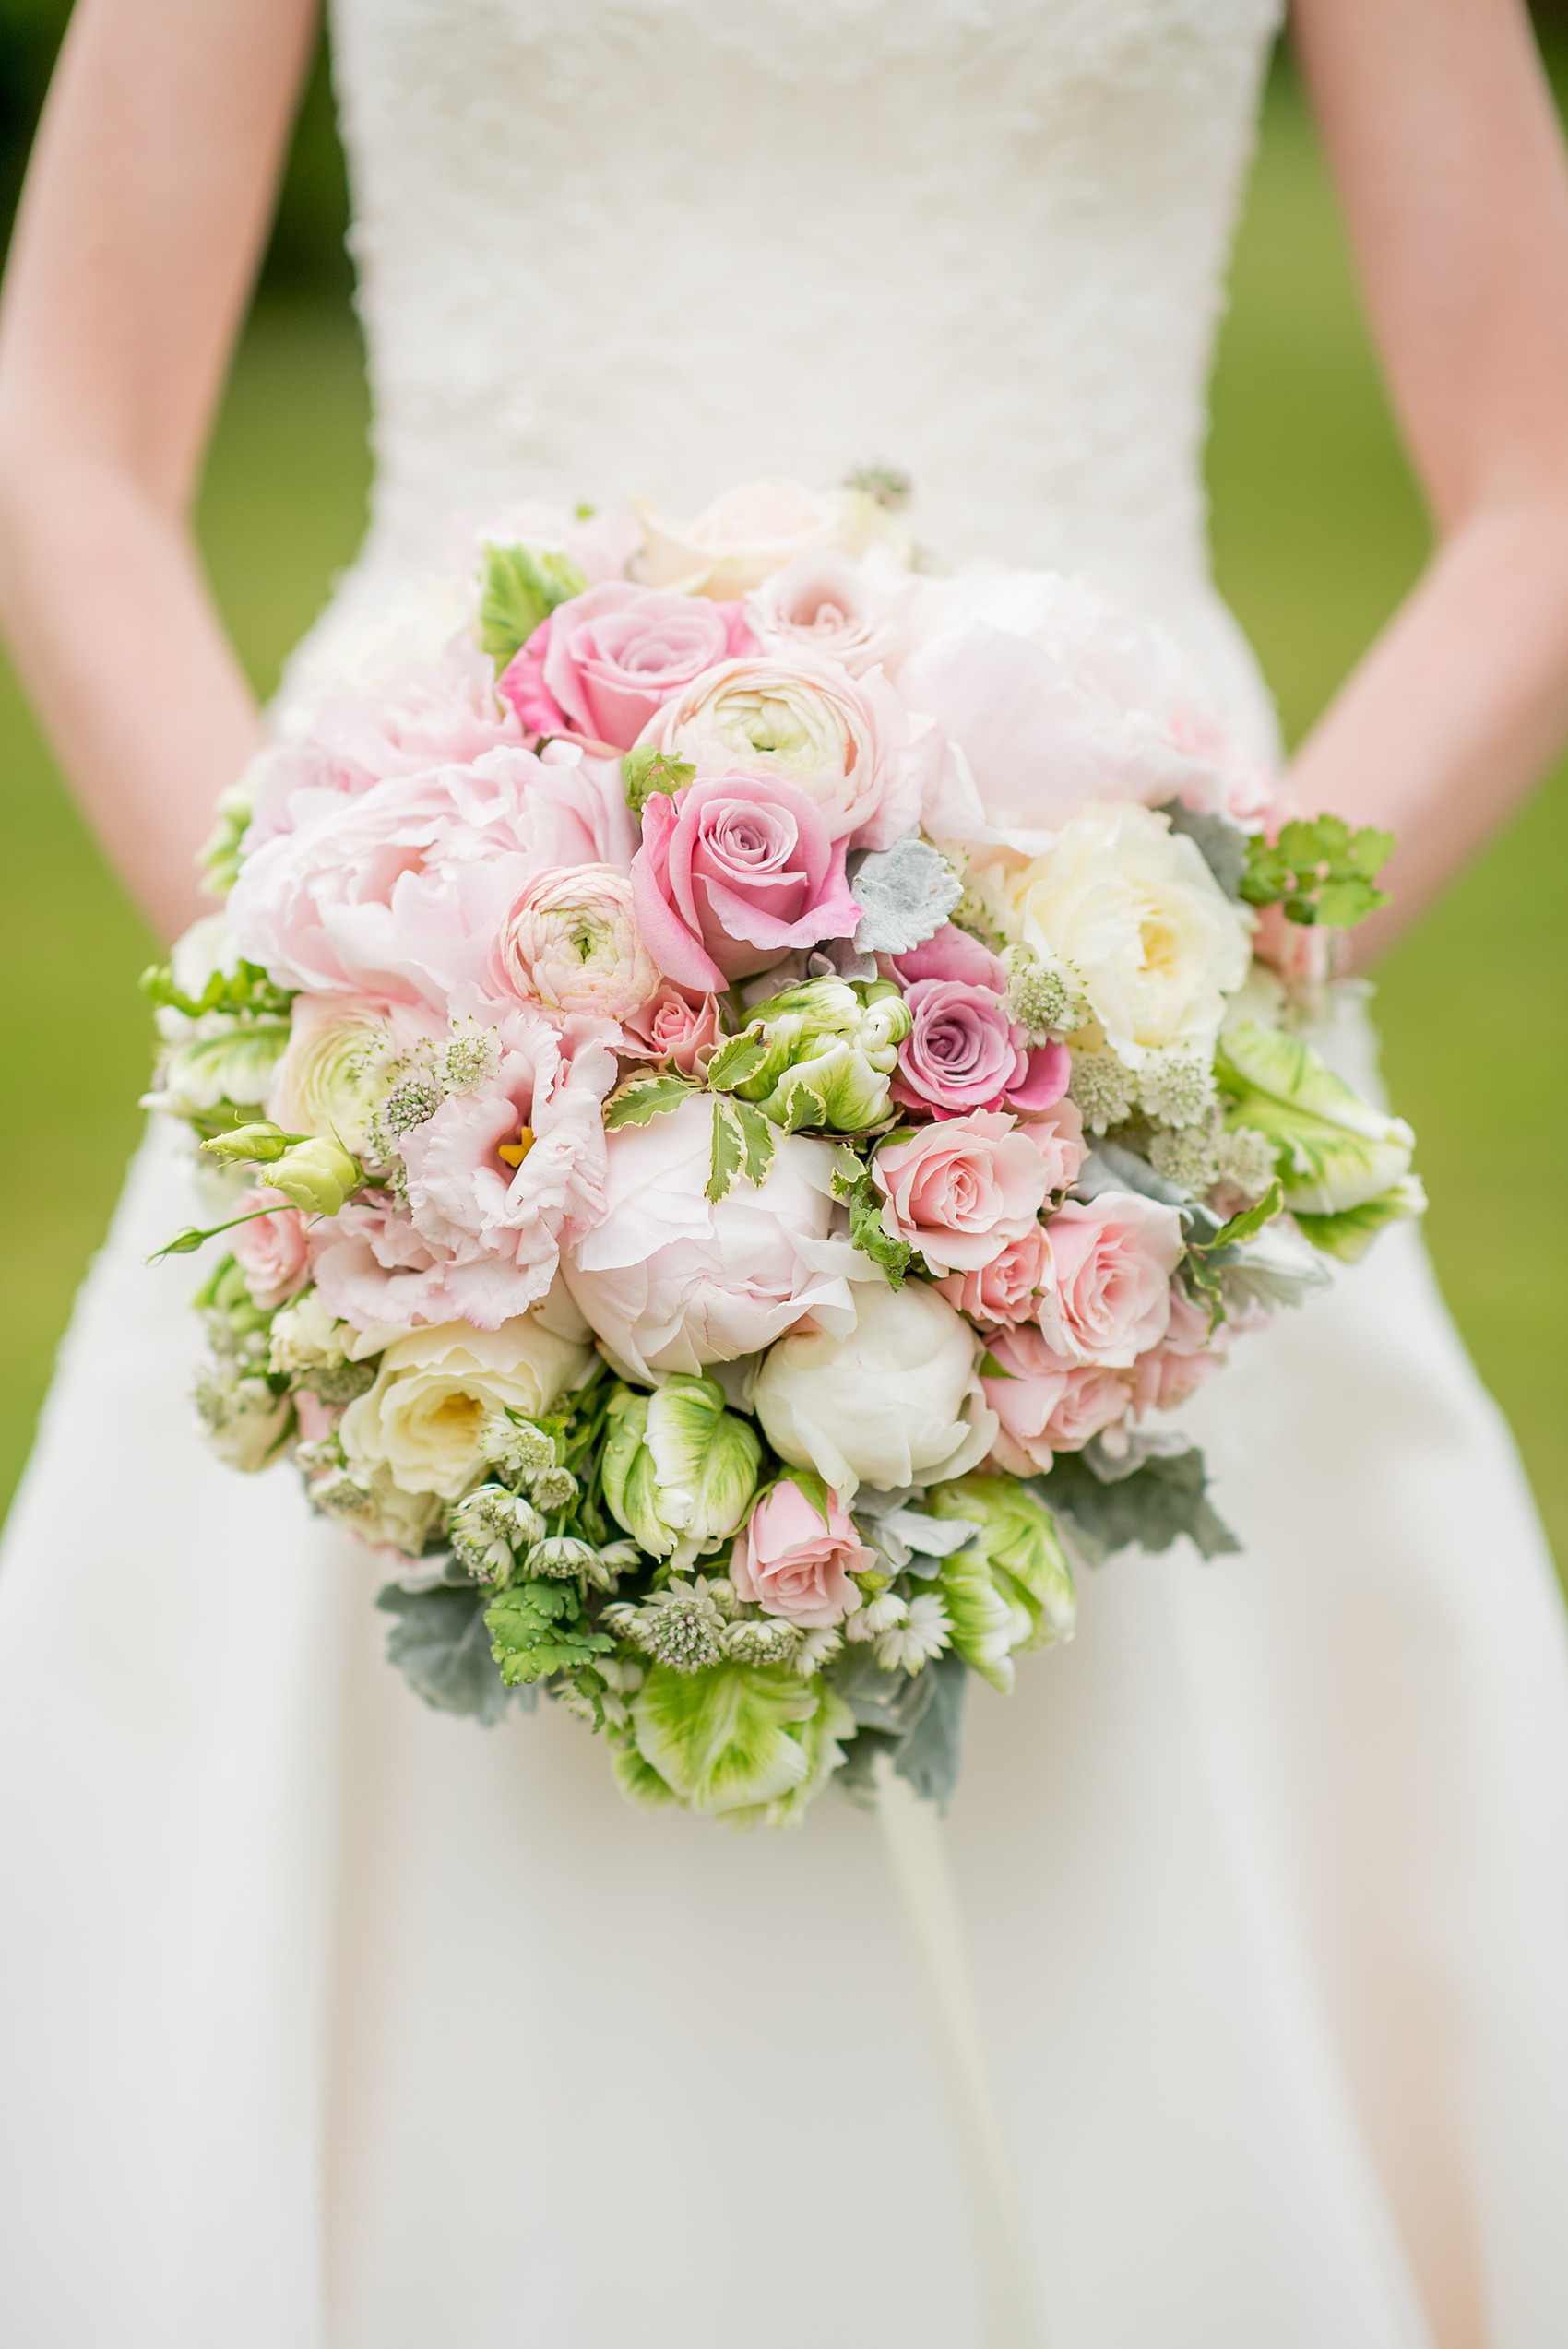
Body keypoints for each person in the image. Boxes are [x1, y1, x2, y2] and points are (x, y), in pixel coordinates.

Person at [1, 2, 1566, 2343]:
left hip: (1119, 928)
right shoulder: (385, 998)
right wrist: (347, 1011)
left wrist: (1190, 1009)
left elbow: (1538, 461)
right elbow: (68, 427)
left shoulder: (1149, 1007)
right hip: (437, 908)